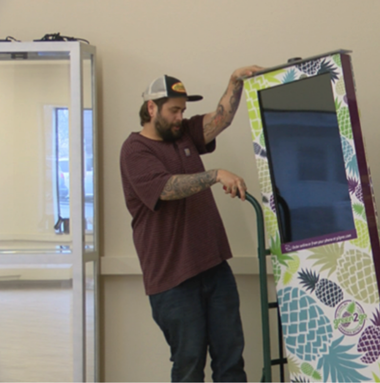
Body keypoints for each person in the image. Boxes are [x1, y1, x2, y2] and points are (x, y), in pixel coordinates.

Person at [120, 65, 263, 382]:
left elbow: (220, 119)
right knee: (189, 366)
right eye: (173, 110)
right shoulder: (135, 150)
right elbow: (167, 188)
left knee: (231, 361)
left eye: (183, 111)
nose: (179, 117)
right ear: (151, 107)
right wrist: (214, 174)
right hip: (173, 279)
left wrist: (234, 82)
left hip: (214, 267)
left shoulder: (183, 134)